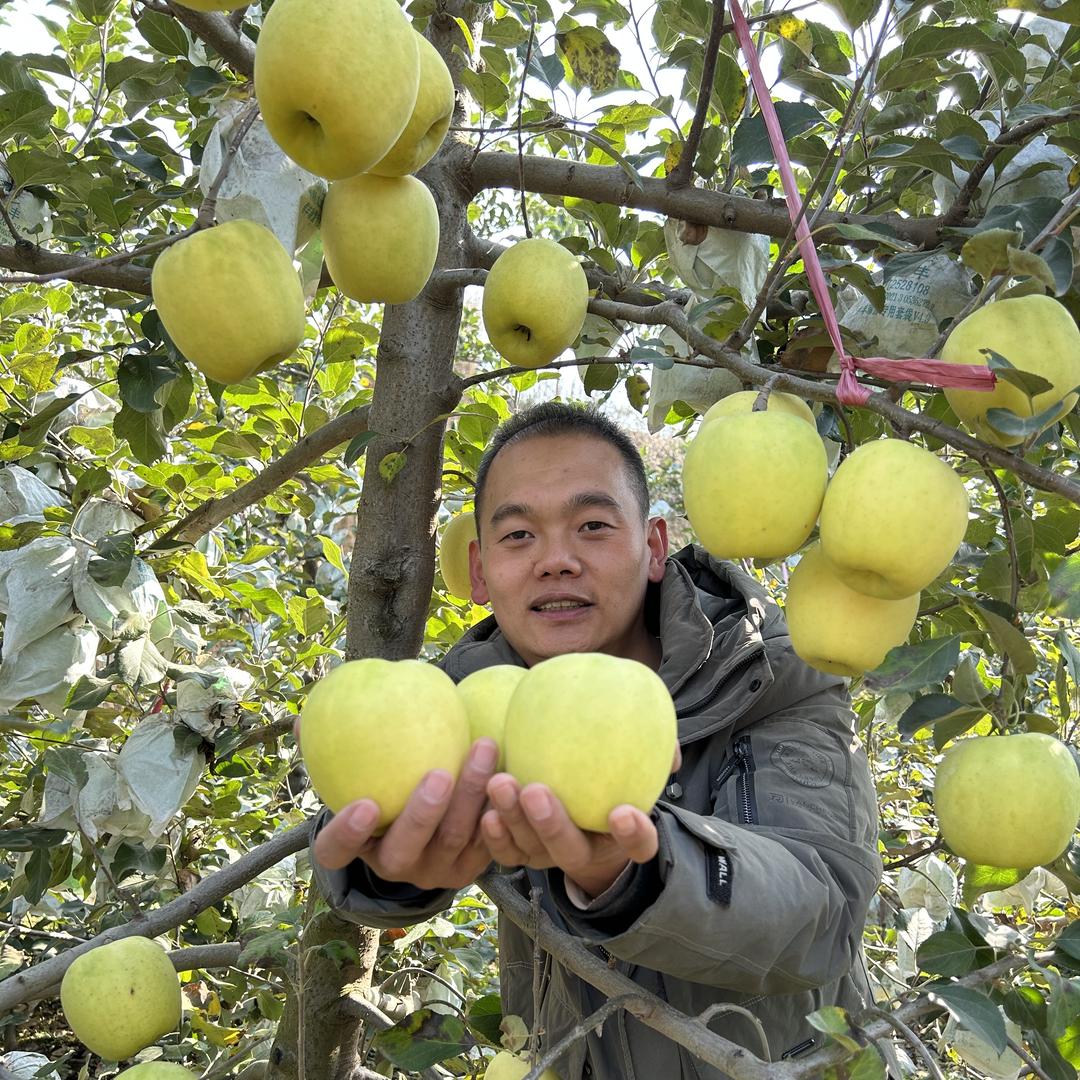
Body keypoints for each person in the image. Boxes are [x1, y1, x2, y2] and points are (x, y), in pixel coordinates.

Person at [306, 401, 883, 1079]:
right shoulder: (463, 698)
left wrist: (636, 872)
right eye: (519, 536)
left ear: (655, 546)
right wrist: (387, 872)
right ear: (481, 571)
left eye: (592, 526)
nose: (556, 561)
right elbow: (385, 811)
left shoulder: (769, 672)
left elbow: (822, 912)